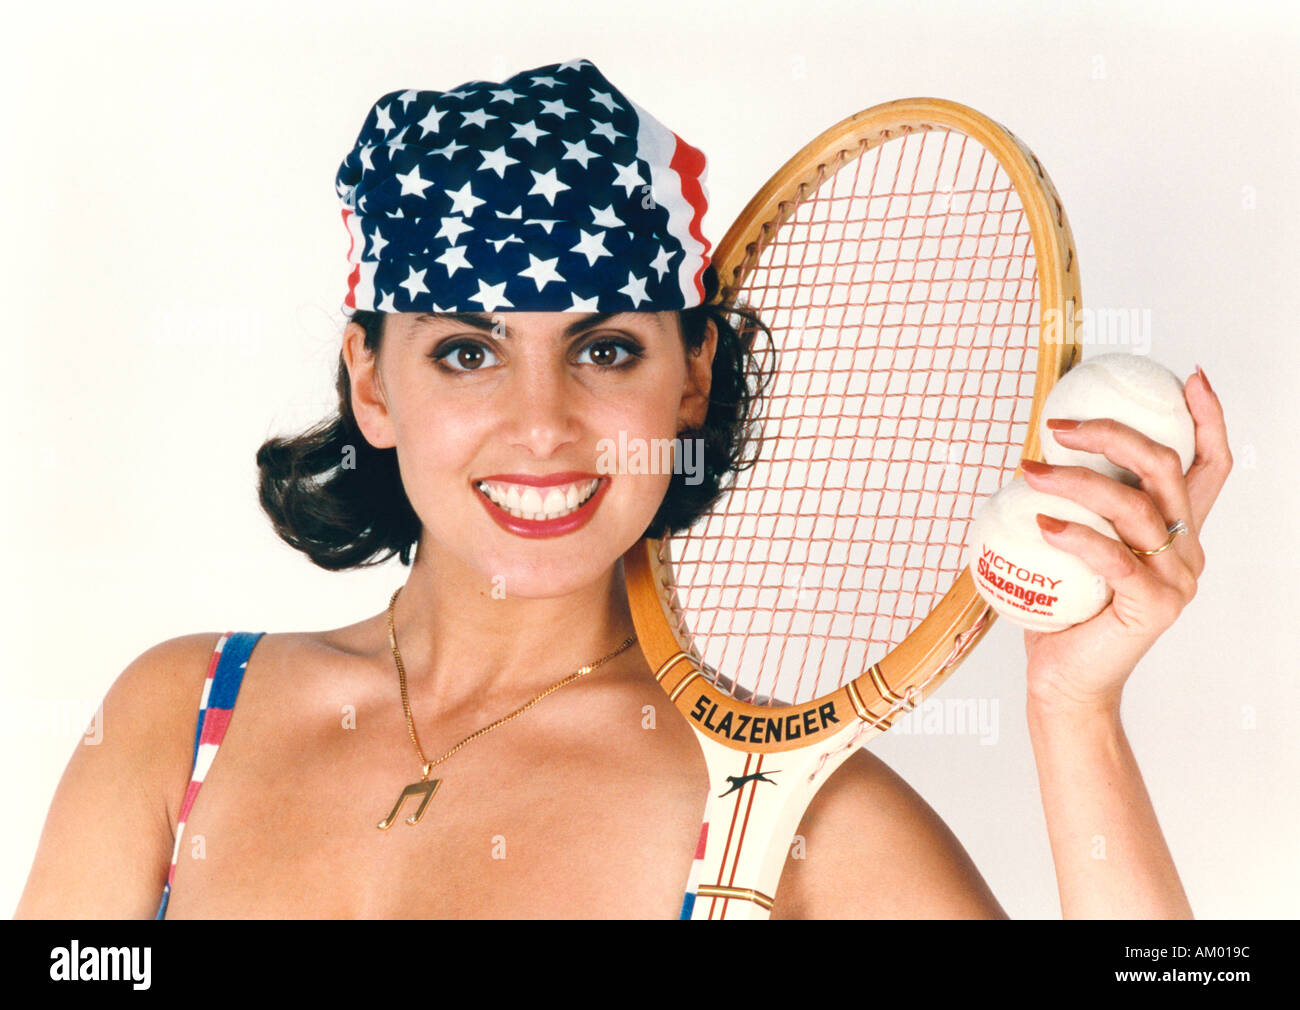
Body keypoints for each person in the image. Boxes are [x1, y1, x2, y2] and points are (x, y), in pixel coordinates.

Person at [15, 58, 1232, 920]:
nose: (541, 425)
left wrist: (1076, 713)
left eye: (605, 348)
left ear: (691, 376)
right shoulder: (182, 720)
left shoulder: (783, 813)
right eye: (464, 350)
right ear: (370, 384)